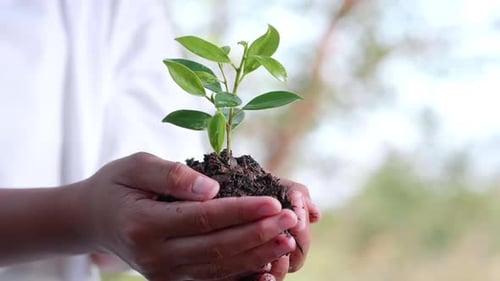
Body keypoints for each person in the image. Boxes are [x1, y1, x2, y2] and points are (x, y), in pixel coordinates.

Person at [0, 0, 321, 281]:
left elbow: (140, 224)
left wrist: (206, 249)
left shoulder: (116, 9)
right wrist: (84, 218)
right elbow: (111, 220)